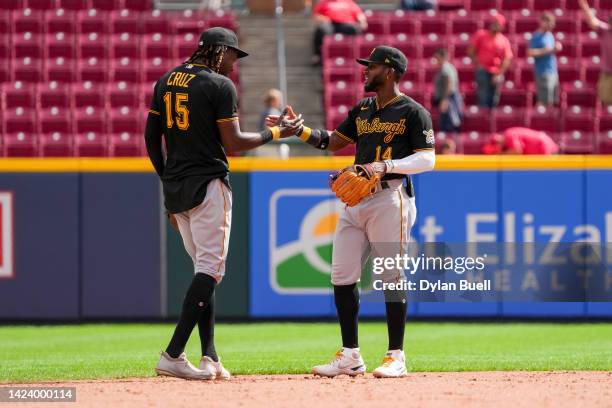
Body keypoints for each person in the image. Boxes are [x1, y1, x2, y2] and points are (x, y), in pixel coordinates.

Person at [144, 27, 302, 381]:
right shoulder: (218, 85)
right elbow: (234, 142)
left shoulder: (167, 80)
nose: (234, 64)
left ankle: (210, 356)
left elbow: (151, 138)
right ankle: (173, 354)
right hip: (207, 184)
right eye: (233, 55)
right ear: (218, 51)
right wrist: (277, 133)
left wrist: (166, 180)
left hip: (177, 190)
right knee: (211, 271)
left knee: (205, 270)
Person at [268, 46, 435, 378]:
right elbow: (333, 141)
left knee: (391, 276)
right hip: (355, 201)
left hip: (391, 196)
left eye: (371, 66)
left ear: (389, 72)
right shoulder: (363, 109)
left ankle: (396, 356)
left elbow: (427, 159)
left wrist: (383, 166)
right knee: (342, 276)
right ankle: (350, 355)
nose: (364, 71)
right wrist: (298, 130)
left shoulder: (413, 112)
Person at [468, 14, 513, 108]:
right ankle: (482, 118)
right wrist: (477, 64)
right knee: (482, 96)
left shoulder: (504, 40)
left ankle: (491, 119)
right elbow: (471, 50)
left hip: (496, 72)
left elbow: (507, 58)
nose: (494, 25)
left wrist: (499, 73)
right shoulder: (481, 34)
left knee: (494, 99)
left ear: (502, 27)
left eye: (497, 24)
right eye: (494, 22)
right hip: (483, 69)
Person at [312, 0, 367, 65]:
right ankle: (318, 55)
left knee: (354, 29)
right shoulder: (323, 2)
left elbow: (359, 13)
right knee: (321, 29)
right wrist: (323, 18)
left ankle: (356, 55)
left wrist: (363, 21)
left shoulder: (348, 2)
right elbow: (316, 15)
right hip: (330, 24)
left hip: (346, 24)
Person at [578, 0, 612, 105]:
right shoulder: (605, 31)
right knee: (606, 102)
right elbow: (592, 21)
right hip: (608, 74)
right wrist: (585, 7)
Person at [528, 12, 563, 107]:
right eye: (549, 22)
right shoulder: (537, 36)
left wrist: (555, 49)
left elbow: (551, 51)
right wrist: (549, 50)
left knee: (551, 101)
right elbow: (530, 52)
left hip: (553, 71)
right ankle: (538, 120)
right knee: (543, 101)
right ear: (542, 22)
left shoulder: (550, 35)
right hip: (543, 72)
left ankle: (548, 120)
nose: (551, 25)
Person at [432, 48, 463, 132]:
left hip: (449, 99)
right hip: (447, 98)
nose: (436, 60)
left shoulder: (446, 68)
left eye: (437, 58)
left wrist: (444, 100)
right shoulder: (444, 68)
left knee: (450, 124)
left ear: (443, 57)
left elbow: (449, 84)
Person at [481, 127, 559, 155]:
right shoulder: (508, 135)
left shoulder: (508, 135)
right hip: (545, 147)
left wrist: (501, 154)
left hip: (545, 147)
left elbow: (517, 151)